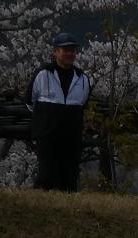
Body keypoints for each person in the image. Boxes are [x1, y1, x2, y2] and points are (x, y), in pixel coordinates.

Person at [29, 32, 91, 192]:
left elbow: (83, 102)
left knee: (69, 174)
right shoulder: (43, 74)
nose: (70, 53)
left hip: (71, 134)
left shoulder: (82, 78)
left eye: (72, 50)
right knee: (46, 172)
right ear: (55, 51)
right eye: (65, 50)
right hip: (47, 133)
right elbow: (30, 99)